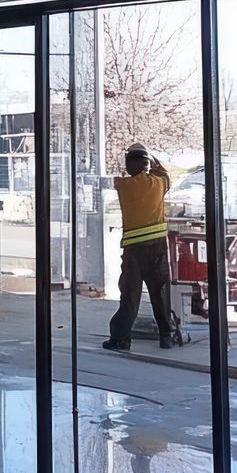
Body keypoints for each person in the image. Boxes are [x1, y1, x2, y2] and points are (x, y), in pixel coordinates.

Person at [104, 143, 176, 351]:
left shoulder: (123, 186)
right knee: (160, 294)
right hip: (157, 249)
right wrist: (151, 159)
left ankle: (121, 339)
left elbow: (126, 175)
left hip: (133, 251)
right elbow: (164, 173)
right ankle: (166, 336)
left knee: (130, 297)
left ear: (129, 165)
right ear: (146, 164)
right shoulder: (158, 183)